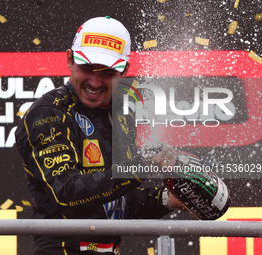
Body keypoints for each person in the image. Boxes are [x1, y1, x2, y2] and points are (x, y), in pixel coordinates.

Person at [15, 16, 188, 255]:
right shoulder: (49, 114)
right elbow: (66, 193)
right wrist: (140, 167)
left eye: (107, 72)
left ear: (124, 71)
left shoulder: (121, 115)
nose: (95, 82)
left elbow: (112, 203)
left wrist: (167, 200)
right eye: (87, 68)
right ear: (69, 60)